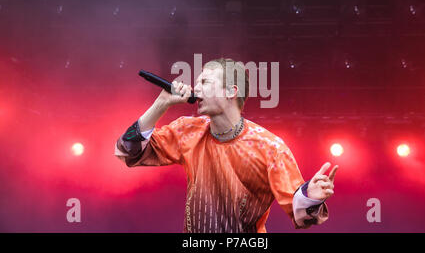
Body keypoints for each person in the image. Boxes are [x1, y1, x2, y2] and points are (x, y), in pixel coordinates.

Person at [115, 58, 338, 233]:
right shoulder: (187, 130)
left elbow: (300, 214)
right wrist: (161, 104)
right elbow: (128, 150)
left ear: (231, 91)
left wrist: (312, 197)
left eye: (205, 82)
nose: (196, 88)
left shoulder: (270, 147)